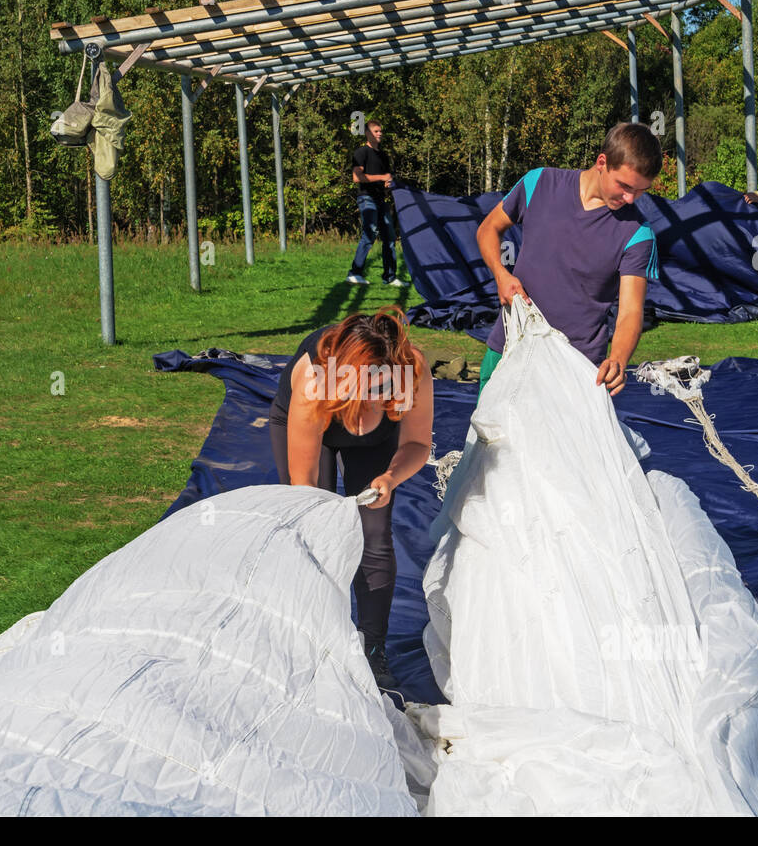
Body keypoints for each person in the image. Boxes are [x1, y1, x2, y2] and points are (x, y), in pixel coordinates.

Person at [267, 307, 432, 691]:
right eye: (363, 391)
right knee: (313, 536)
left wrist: (390, 478)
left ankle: (372, 649)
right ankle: (316, 640)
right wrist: (320, 522)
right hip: (316, 431)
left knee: (375, 537)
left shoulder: (413, 371)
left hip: (376, 445)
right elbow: (303, 484)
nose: (373, 402)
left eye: (382, 391)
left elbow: (418, 443)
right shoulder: (313, 381)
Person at [475, 121, 662, 399]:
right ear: (602, 162)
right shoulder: (538, 182)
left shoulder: (639, 234)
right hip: (509, 349)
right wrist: (501, 274)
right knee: (490, 442)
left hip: (575, 369)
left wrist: (618, 360)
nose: (630, 198)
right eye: (624, 186)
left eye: (640, 191)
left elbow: (630, 312)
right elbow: (488, 229)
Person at [346, 121, 406, 287]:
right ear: (368, 133)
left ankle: (390, 277)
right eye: (376, 131)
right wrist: (381, 177)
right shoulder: (361, 152)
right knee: (370, 233)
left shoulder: (384, 156)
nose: (379, 134)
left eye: (381, 131)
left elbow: (387, 177)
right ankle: (354, 273)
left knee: (390, 237)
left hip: (381, 200)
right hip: (367, 198)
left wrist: (388, 182)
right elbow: (357, 177)